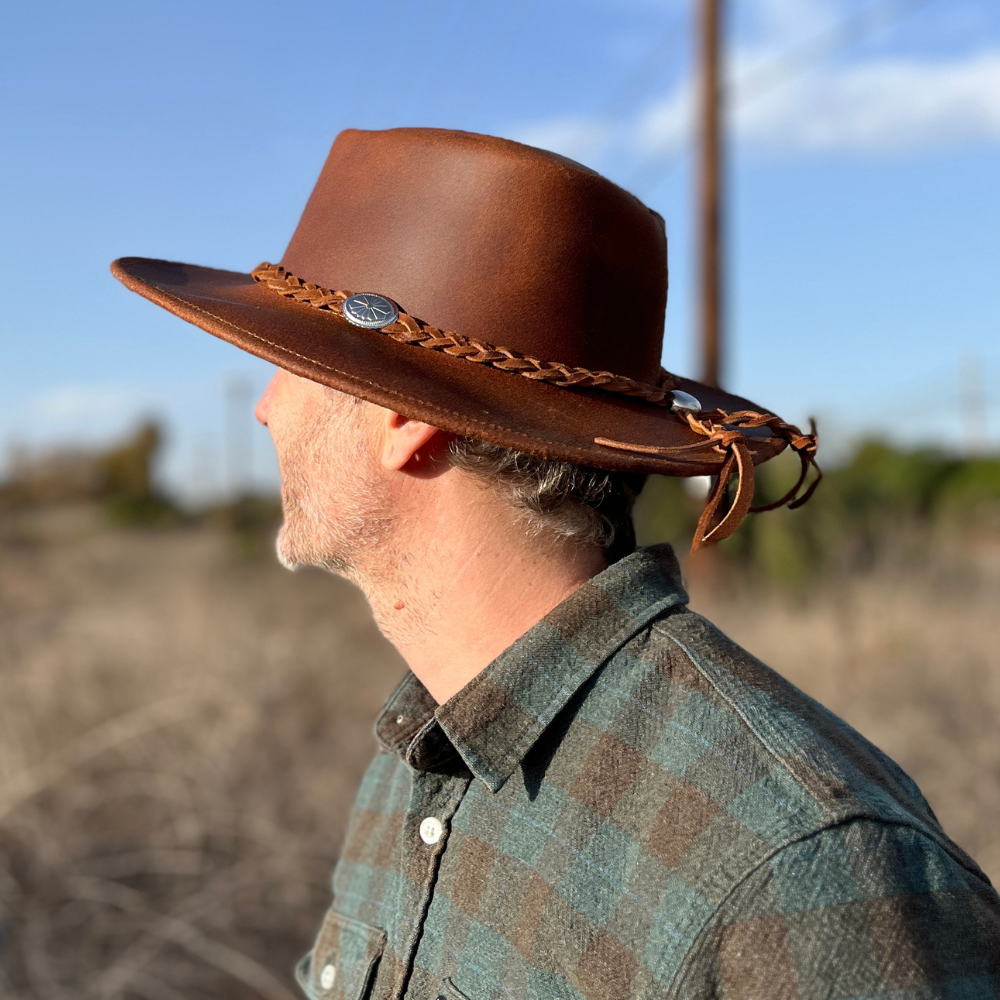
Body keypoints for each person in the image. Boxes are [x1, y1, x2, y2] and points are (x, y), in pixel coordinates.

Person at [113, 127, 1000, 1000]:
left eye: (290, 361)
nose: (265, 408)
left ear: (405, 418)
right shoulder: (422, 749)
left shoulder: (804, 868)